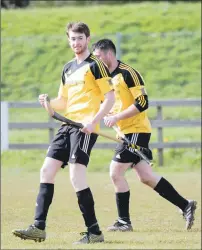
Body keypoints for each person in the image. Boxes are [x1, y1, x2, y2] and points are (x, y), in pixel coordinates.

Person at [12, 22, 115, 245]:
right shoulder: (68, 68)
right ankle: (38, 227)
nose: (75, 43)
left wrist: (93, 121)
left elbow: (110, 98)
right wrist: (49, 104)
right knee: (47, 171)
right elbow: (63, 102)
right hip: (67, 126)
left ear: (88, 39)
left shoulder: (96, 65)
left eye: (79, 38)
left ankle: (94, 232)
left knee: (76, 176)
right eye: (72, 39)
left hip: (85, 128)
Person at [92, 38, 197, 232]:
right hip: (125, 132)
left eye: (98, 57)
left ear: (108, 53)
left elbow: (142, 102)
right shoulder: (105, 79)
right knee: (146, 177)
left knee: (116, 172)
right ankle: (185, 205)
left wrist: (117, 118)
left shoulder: (128, 73)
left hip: (137, 130)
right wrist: (113, 121)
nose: (96, 61)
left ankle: (124, 222)